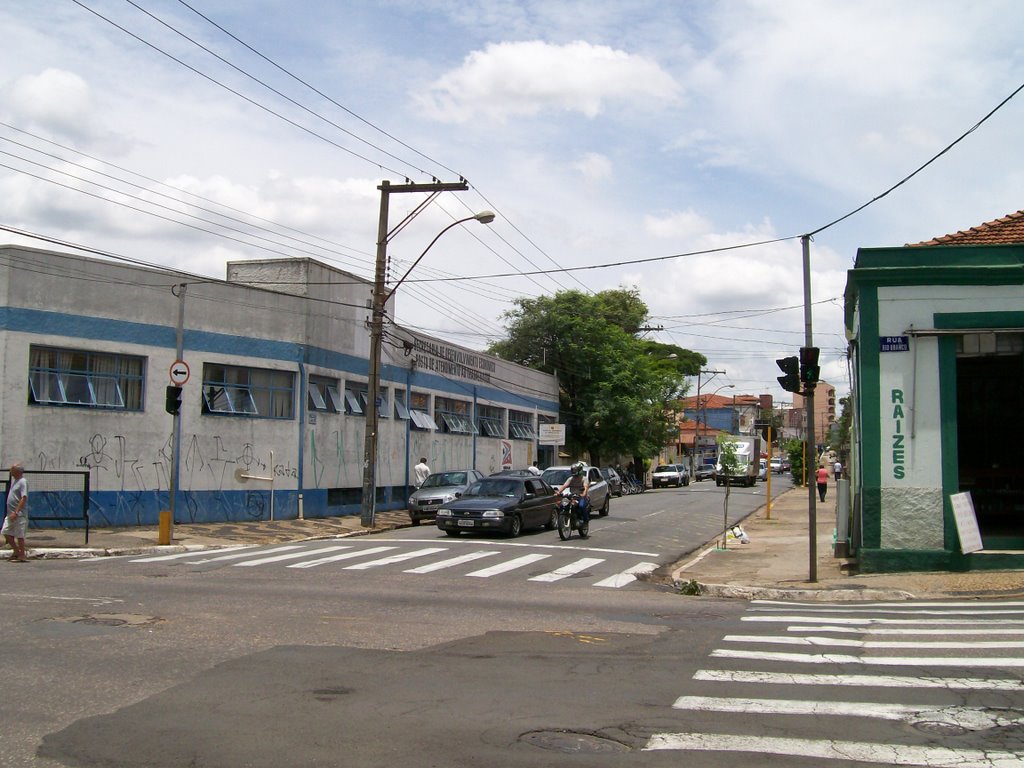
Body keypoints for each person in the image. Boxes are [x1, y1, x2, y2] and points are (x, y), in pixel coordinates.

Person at [554, 461, 590, 537]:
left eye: (575, 470)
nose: (574, 472)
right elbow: (564, 486)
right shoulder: (571, 479)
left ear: (579, 470)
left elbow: (586, 487)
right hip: (572, 496)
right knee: (562, 504)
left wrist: (584, 493)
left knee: (581, 506)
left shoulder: (584, 479)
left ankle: (585, 522)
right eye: (573, 470)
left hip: (581, 497)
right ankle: (563, 519)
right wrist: (558, 492)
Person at [3, 463, 29, 562]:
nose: (10, 471)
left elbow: (24, 497)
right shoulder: (15, 481)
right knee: (5, 532)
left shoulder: (23, 482)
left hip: (19, 514)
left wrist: (16, 512)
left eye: (12, 469)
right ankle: (16, 551)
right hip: (10, 513)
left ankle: (22, 555)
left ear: (17, 471)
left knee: (19, 535)